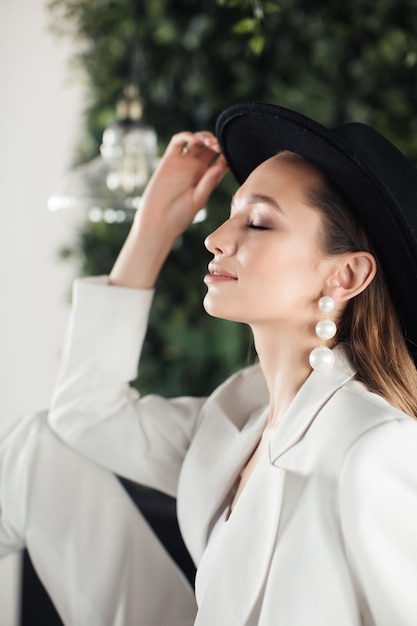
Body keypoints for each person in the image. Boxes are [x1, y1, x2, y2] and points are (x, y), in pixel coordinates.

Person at [4, 101, 417, 625]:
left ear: (346, 275)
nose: (216, 238)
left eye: (260, 223)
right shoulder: (237, 416)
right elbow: (85, 414)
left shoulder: (374, 448)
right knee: (35, 450)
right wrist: (153, 228)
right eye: (232, 214)